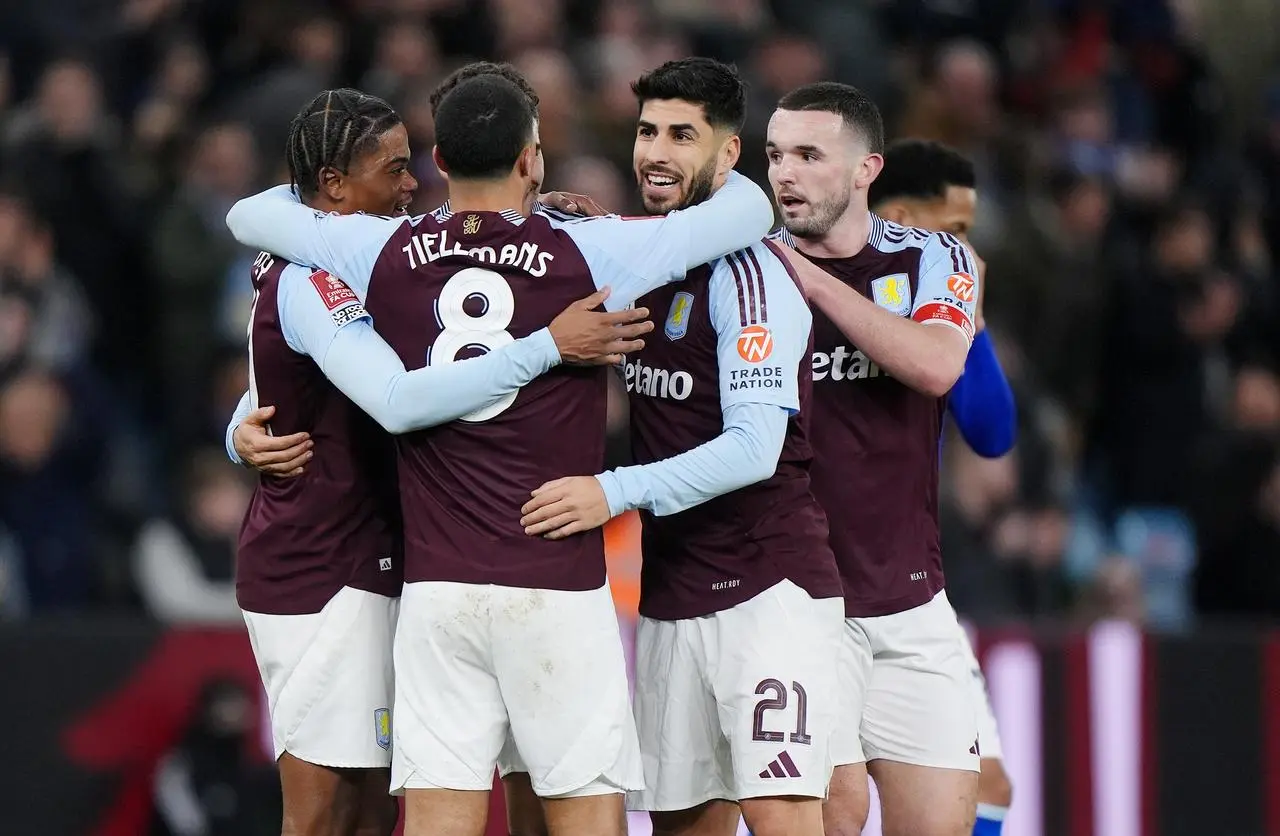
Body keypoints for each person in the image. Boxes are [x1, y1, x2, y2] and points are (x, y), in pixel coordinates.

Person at [224, 72, 776, 836]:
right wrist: (706, 163)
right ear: (532, 158)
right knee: (582, 809)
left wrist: (237, 422)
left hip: (436, 591)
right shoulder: (594, 250)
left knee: (439, 813)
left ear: (439, 160)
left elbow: (250, 215)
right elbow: (749, 209)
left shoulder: (377, 248)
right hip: (553, 580)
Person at [520, 57, 844, 836]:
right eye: (646, 132)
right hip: (670, 601)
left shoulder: (752, 276)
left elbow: (753, 449)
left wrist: (614, 490)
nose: (656, 152)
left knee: (783, 817)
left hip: (769, 592)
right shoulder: (641, 256)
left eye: (682, 136)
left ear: (729, 155)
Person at [766, 82, 981, 836]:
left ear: (866, 169)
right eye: (775, 155)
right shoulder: (751, 271)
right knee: (837, 811)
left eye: (808, 155)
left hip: (909, 602)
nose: (785, 174)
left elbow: (935, 367)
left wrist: (815, 282)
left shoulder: (936, 256)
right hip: (794, 607)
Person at [868, 138, 1016, 836]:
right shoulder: (835, 292)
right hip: (814, 578)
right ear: (899, 216)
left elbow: (991, 432)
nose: (967, 248)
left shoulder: (943, 307)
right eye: (954, 230)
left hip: (909, 580)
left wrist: (973, 317)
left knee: (988, 786)